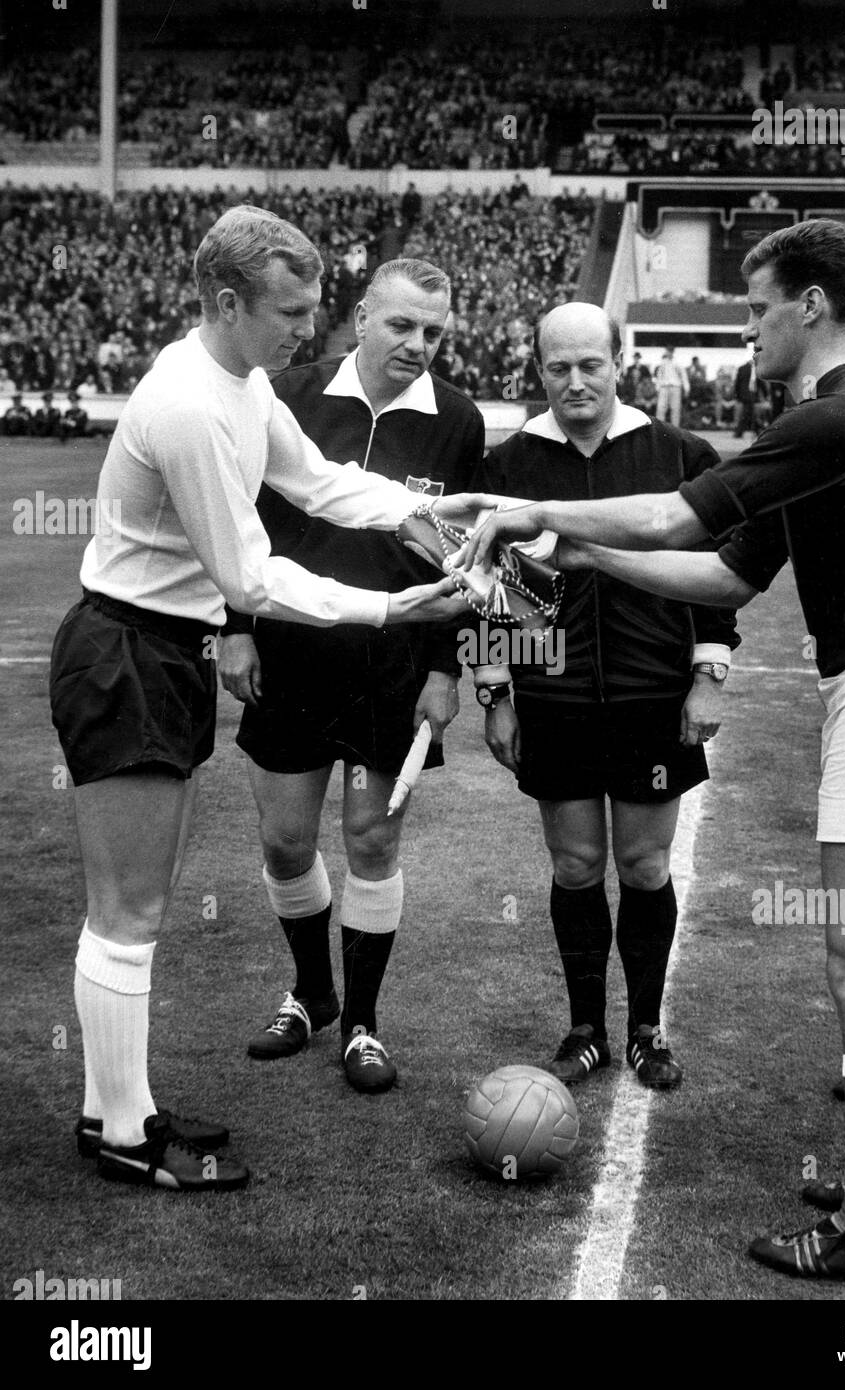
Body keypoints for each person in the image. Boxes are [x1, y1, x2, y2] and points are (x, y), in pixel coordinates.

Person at [462, 219, 845, 1284]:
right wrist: (572, 548)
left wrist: (531, 511)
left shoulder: (840, 414)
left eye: (754, 308)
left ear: (808, 306)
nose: (744, 328)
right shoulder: (837, 419)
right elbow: (723, 575)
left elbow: (670, 516)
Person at [49, 207, 471, 1195]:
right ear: (227, 302)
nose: (305, 328)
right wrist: (395, 603)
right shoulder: (192, 403)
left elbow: (319, 481)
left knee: (135, 904)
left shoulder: (234, 379)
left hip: (159, 651)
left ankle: (122, 1107)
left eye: (316, 307)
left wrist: (424, 512)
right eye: (290, 310)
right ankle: (122, 1132)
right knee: (129, 908)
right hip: (127, 653)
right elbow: (251, 578)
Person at [219, 258, 484, 1093]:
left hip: (394, 668)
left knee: (372, 839)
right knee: (285, 841)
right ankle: (311, 992)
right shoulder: (286, 392)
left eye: (434, 333)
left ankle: (363, 1024)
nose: (417, 345)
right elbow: (239, 520)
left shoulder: (459, 420)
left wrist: (447, 669)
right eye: (402, 325)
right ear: (363, 316)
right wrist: (235, 630)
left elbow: (470, 555)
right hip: (290, 651)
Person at [472, 302, 738, 1090]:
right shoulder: (510, 465)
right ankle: (586, 1025)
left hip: (653, 696)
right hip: (552, 698)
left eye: (592, 364)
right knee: (579, 861)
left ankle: (647, 1028)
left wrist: (706, 674)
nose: (576, 381)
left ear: (620, 362)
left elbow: (717, 576)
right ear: (539, 369)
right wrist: (496, 690)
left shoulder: (679, 453)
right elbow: (489, 585)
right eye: (559, 367)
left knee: (647, 864)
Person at [654, 348, 684, 426]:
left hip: (675, 387)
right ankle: (660, 427)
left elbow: (683, 375)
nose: (669, 353)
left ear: (673, 352)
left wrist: (687, 387)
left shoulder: (678, 362)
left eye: (670, 352)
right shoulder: (663, 363)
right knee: (661, 408)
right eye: (668, 351)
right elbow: (659, 375)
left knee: (675, 408)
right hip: (664, 387)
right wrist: (657, 387)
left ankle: (675, 428)